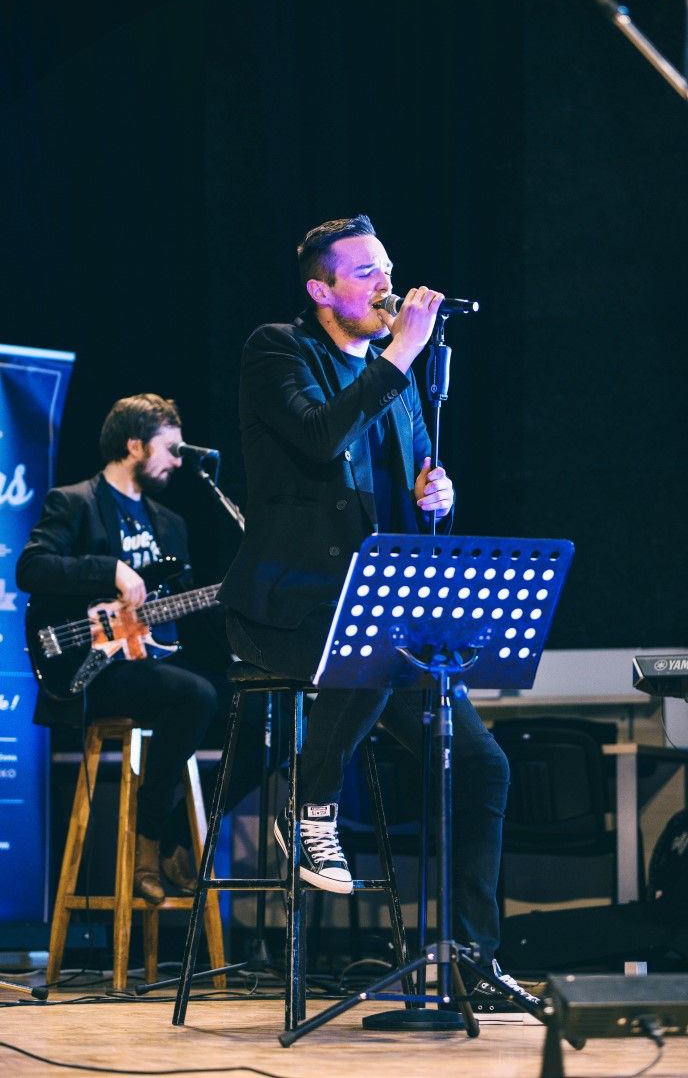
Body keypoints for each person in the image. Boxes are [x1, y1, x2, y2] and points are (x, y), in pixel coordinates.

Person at [219, 214, 542, 1015]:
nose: (386, 284)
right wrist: (400, 356)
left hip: (380, 625)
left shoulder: (397, 388)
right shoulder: (278, 351)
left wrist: (441, 499)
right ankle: (310, 799)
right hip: (292, 611)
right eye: (365, 272)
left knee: (483, 766)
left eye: (386, 268)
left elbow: (417, 513)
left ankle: (472, 961)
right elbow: (319, 439)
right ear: (321, 290)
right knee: (381, 647)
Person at [16, 393, 264, 906]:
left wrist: (242, 604)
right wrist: (111, 569)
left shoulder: (170, 523)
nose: (178, 461)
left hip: (155, 663)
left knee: (266, 719)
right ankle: (146, 842)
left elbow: (182, 611)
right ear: (134, 445)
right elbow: (32, 568)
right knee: (193, 695)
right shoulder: (75, 502)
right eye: (170, 449)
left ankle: (175, 832)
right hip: (94, 669)